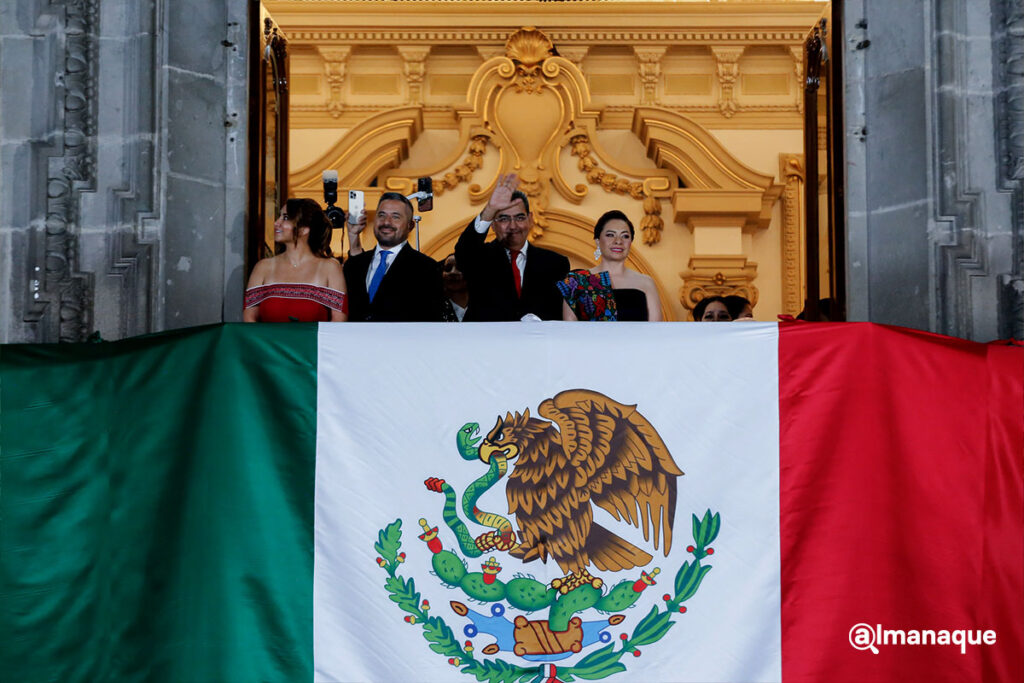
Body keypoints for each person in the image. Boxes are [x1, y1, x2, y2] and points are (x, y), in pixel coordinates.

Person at [455, 174, 570, 321]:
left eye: (519, 218)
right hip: (487, 335)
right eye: (504, 219)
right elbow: (464, 252)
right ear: (493, 224)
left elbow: (558, 313)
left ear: (530, 219)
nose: (513, 226)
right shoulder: (479, 257)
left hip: (537, 335)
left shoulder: (556, 263)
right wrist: (490, 209)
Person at [342, 192, 445, 322]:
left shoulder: (427, 268)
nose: (386, 222)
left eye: (395, 217)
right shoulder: (354, 265)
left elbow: (431, 320)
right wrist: (353, 235)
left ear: (410, 226)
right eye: (381, 215)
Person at [244, 198, 347, 322]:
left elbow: (339, 322)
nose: (276, 223)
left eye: (286, 218)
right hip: (266, 336)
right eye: (279, 217)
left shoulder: (330, 267)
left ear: (304, 229)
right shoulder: (263, 267)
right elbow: (249, 318)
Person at [558, 210, 662, 321]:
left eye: (625, 236)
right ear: (598, 241)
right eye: (610, 235)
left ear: (630, 243)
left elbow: (656, 329)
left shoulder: (646, 283)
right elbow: (569, 329)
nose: (618, 241)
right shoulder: (576, 281)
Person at [441, 253, 469, 322]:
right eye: (448, 268)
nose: (453, 272)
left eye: (460, 268)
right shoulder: (434, 309)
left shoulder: (485, 307)